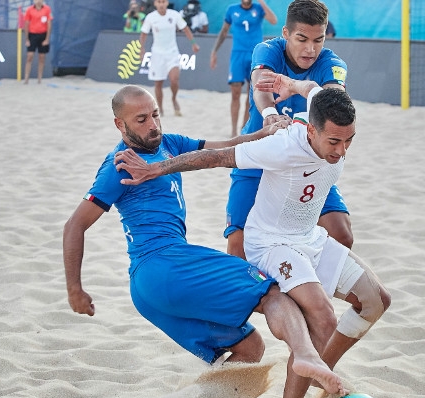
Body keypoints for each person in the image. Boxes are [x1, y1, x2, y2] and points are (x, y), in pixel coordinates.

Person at [115, 78, 391, 398]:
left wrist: (289, 84)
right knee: (321, 318)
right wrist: (156, 169)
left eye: (349, 141)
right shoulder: (282, 147)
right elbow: (212, 158)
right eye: (334, 142)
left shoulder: (325, 106)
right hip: (273, 244)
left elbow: (311, 87)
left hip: (311, 238)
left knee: (376, 301)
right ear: (312, 129)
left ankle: (323, 374)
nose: (341, 151)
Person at [63, 85, 347, 398]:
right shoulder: (120, 166)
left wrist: (265, 132)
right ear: (119, 125)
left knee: (249, 347)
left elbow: (226, 148)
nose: (153, 125)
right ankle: (307, 356)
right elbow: (74, 225)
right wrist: (75, 289)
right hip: (163, 265)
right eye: (140, 120)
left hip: (150, 290)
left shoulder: (169, 144)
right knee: (271, 290)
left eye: (155, 114)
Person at [224, 0, 352, 261]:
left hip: (306, 162)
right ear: (285, 33)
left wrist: (295, 85)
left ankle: (306, 291)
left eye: (319, 40)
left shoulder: (332, 62)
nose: (311, 49)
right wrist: (270, 115)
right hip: (259, 157)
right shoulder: (268, 50)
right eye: (302, 38)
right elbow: (261, 85)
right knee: (238, 247)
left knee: (342, 236)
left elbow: (333, 101)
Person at [210, 0, 278, 137]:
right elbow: (224, 31)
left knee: (251, 94)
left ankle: (243, 128)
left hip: (255, 55)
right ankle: (233, 130)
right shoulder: (232, 9)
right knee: (235, 94)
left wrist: (262, 2)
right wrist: (214, 51)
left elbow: (274, 21)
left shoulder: (259, 8)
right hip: (237, 54)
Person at [139, 0, 199, 117]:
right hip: (157, 54)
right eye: (159, 2)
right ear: (155, 4)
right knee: (158, 84)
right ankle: (160, 108)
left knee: (174, 80)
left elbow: (186, 29)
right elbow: (143, 34)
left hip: (172, 53)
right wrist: (142, 49)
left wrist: (193, 43)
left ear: (167, 3)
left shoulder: (174, 15)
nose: (161, 4)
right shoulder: (150, 17)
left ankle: (174, 99)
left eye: (163, 1)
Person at [22, 0, 53, 84]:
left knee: (42, 57)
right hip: (32, 35)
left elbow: (49, 23)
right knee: (30, 56)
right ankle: (26, 78)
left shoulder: (47, 9)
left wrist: (47, 39)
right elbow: (26, 24)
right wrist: (27, 39)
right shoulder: (29, 10)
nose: (37, 1)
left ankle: (39, 78)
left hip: (43, 34)